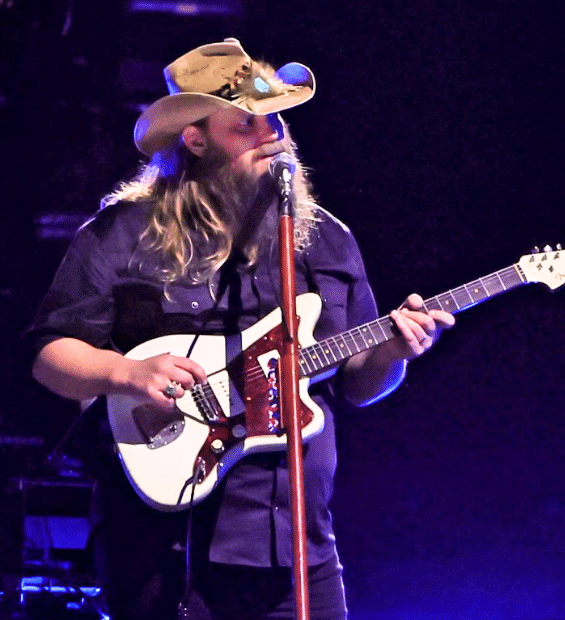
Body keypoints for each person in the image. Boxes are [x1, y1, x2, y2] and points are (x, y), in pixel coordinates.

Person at [25, 38, 454, 620]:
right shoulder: (126, 232)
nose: (270, 135)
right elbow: (50, 356)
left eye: (274, 118)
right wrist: (124, 372)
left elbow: (357, 384)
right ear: (195, 140)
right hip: (167, 544)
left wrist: (394, 353)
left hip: (298, 543)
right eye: (245, 126)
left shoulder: (327, 240)